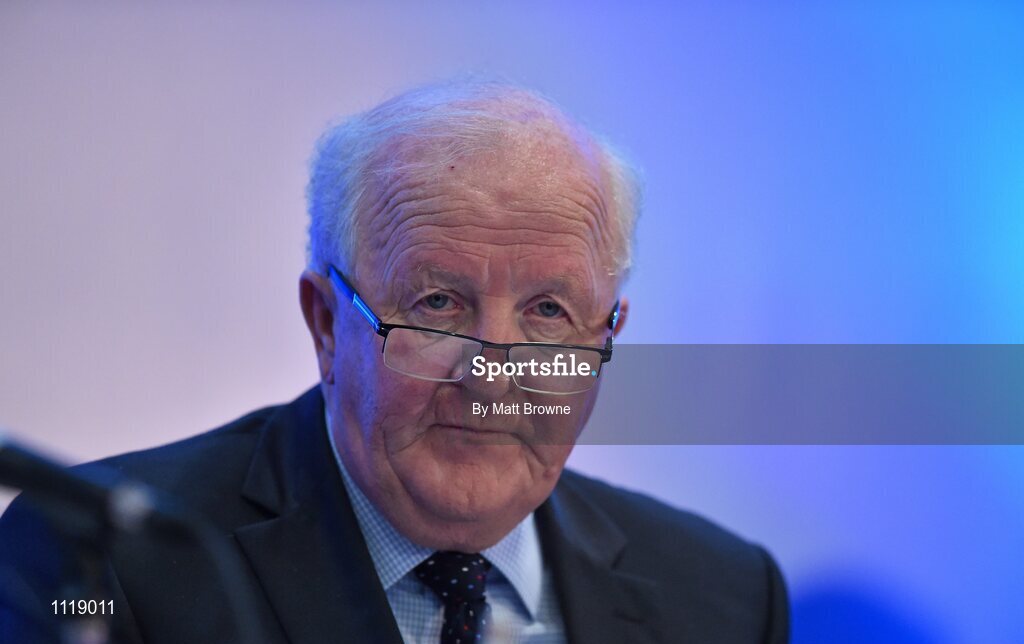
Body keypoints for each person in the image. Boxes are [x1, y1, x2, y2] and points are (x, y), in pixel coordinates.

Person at [0, 80, 788, 643]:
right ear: (326, 325)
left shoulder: (724, 598)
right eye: (437, 303)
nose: (492, 378)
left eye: (549, 312)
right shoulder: (102, 561)